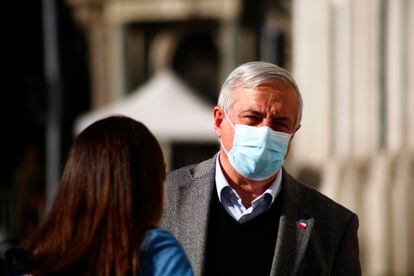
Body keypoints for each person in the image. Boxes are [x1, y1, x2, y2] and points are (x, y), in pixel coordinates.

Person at [161, 61, 361, 275]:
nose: (265, 131)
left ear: (293, 133)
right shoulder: (161, 197)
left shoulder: (332, 225)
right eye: (252, 118)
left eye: (280, 124)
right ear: (219, 121)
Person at [7, 116, 193, 275]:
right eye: (160, 173)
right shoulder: (155, 251)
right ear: (143, 184)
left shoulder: (33, 258)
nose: (164, 184)